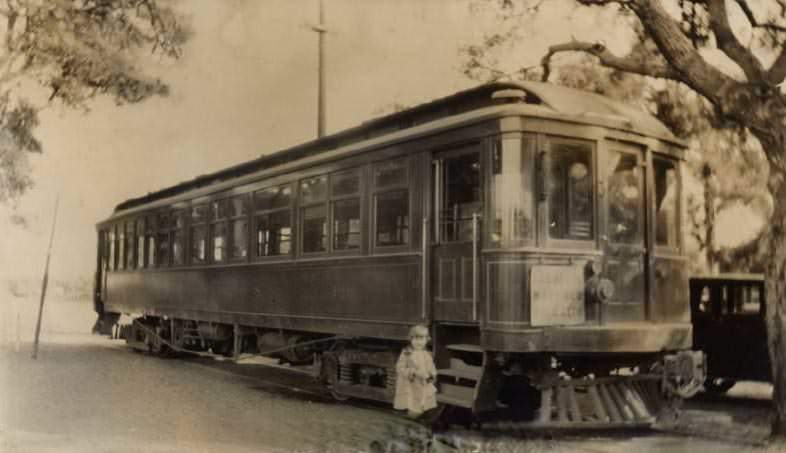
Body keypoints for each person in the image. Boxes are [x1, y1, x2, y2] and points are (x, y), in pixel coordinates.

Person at [394, 324, 438, 418]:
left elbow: (431, 367)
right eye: (415, 339)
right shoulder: (407, 353)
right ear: (411, 340)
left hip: (423, 384)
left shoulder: (427, 354)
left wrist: (431, 375)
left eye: (422, 339)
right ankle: (410, 420)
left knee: (423, 404)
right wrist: (414, 372)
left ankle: (416, 417)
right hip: (411, 384)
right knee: (413, 404)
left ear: (427, 340)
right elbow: (400, 367)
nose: (418, 342)